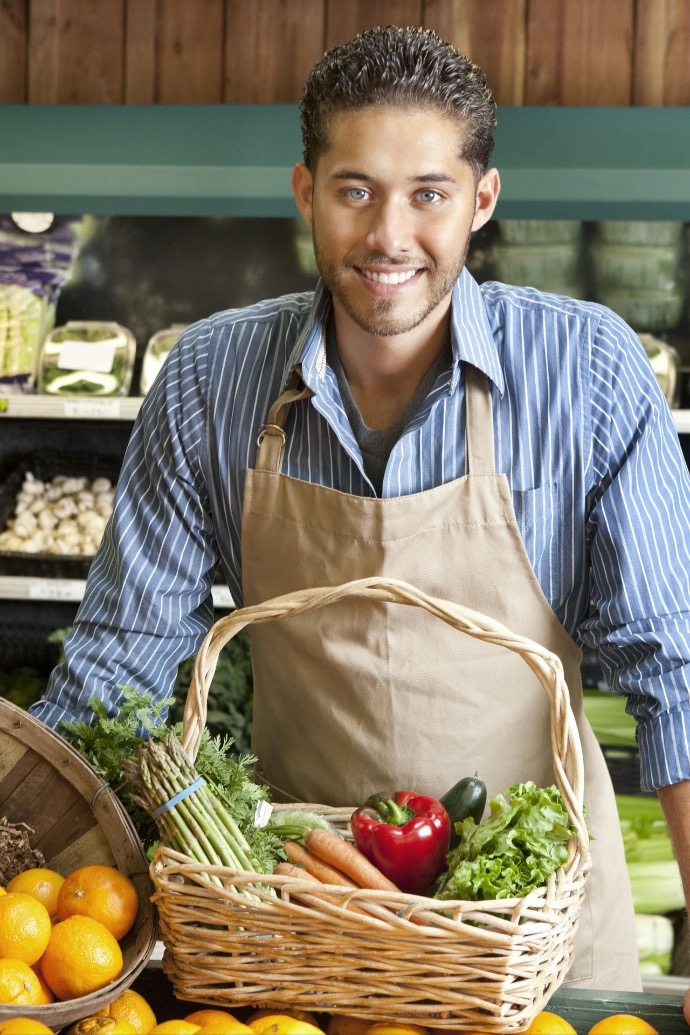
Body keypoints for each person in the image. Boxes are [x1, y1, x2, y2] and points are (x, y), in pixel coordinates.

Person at [30, 25, 690, 1004]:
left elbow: (676, 674)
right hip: (305, 923)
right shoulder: (210, 382)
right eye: (355, 191)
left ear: (482, 202)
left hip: (523, 934)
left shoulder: (587, 376)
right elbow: (117, 665)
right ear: (306, 194)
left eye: (428, 194)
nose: (388, 236)